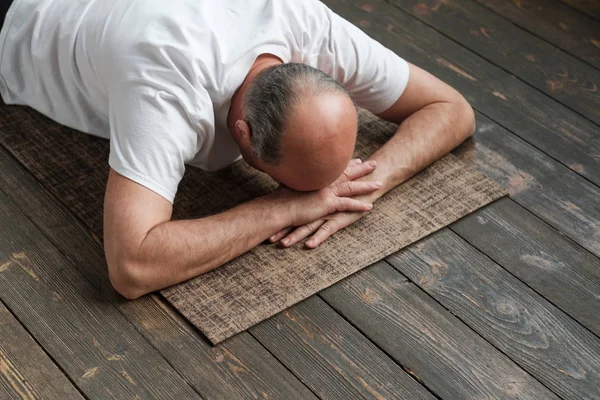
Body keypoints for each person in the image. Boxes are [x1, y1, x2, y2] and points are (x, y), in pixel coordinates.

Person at [0, 0, 475, 299]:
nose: (330, 189)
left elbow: (451, 107)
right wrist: (282, 208)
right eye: (290, 181)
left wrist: (368, 184)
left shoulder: (303, 19)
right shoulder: (167, 84)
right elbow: (131, 266)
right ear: (245, 136)